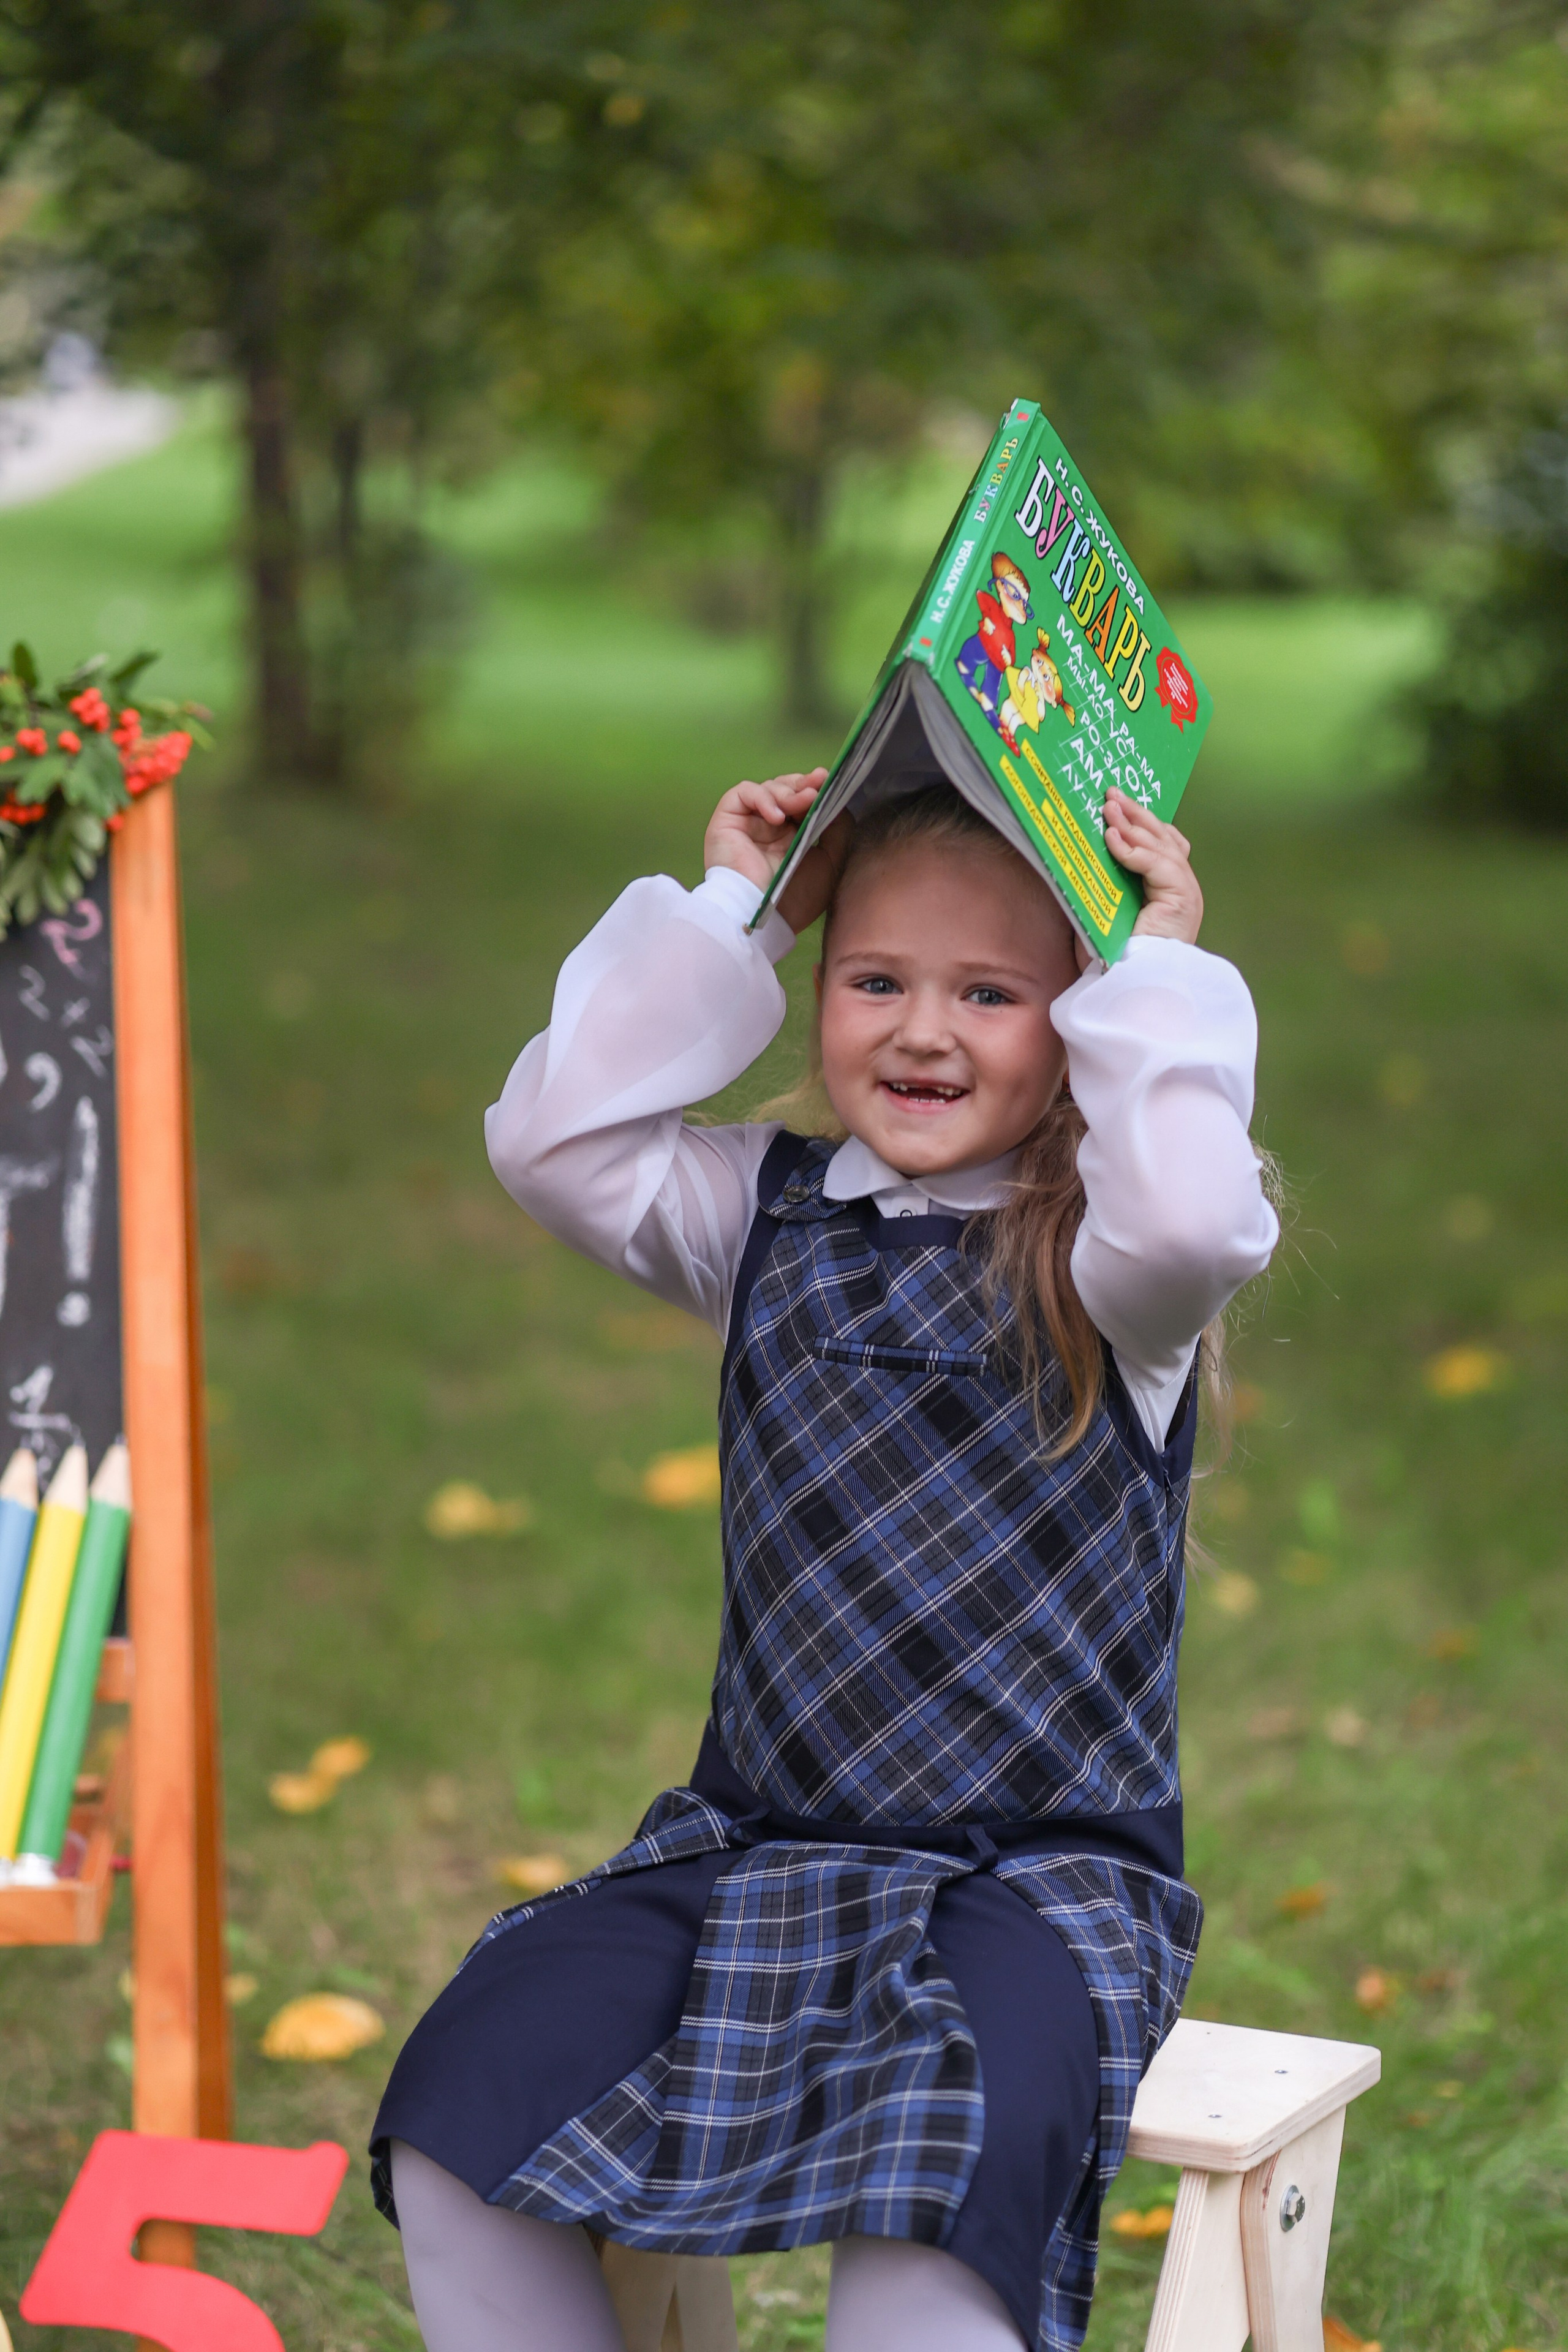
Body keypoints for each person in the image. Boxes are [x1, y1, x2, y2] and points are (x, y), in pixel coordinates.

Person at [371, 769, 1279, 2352]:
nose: (924, 1032)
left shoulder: (1113, 1267)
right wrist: (741, 912)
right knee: (471, 2094)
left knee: (935, 2187)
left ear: (1082, 1019)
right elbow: (554, 1143)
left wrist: (1158, 970)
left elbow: (1198, 1222)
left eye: (990, 992)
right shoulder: (761, 1214)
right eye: (874, 980)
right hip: (755, 1845)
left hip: (1030, 1885)